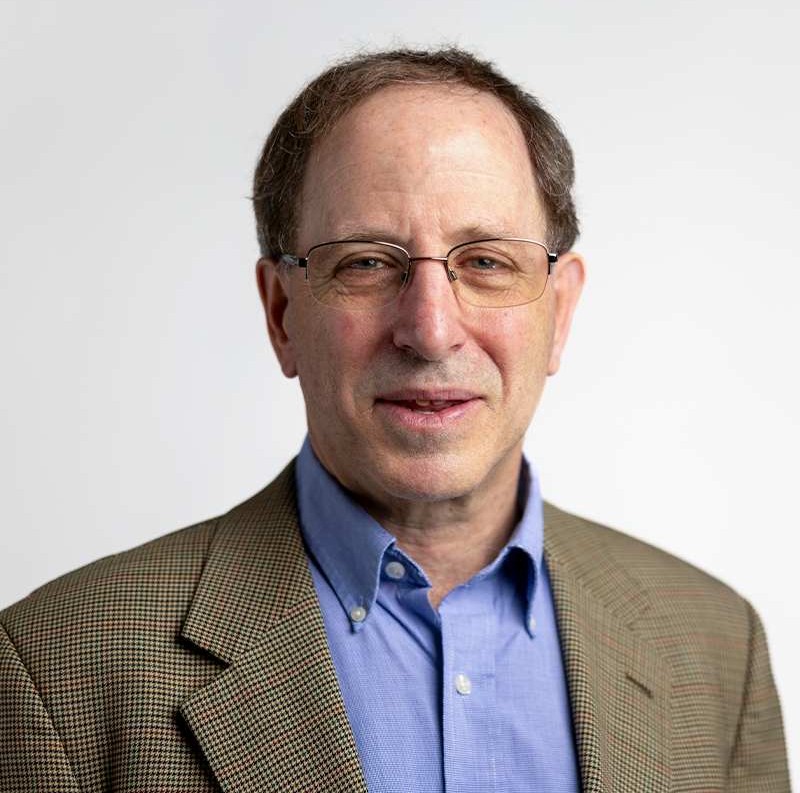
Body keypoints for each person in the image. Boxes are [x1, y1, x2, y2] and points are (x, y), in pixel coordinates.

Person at [0, 47, 789, 793]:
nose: (431, 330)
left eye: (486, 261)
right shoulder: (55, 670)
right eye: (368, 263)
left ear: (561, 310)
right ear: (281, 314)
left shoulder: (721, 647)